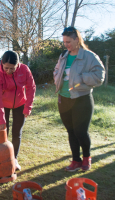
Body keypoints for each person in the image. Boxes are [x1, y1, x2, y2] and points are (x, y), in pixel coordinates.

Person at [53, 26, 105, 172]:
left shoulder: (89, 56)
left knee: (80, 132)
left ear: (77, 39)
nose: (66, 45)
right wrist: (57, 76)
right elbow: (57, 69)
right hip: (63, 99)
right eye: (64, 42)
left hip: (81, 99)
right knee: (70, 131)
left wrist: (81, 77)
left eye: (69, 41)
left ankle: (87, 158)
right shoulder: (63, 55)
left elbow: (100, 76)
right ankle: (76, 160)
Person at [0, 51, 36, 171]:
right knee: (3, 131)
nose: (9, 71)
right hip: (4, 104)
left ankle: (14, 159)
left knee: (17, 132)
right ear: (2, 63)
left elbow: (31, 88)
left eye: (12, 68)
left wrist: (28, 107)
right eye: (6, 68)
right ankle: (3, 158)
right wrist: (1, 120)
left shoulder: (24, 70)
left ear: (18, 65)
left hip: (20, 103)